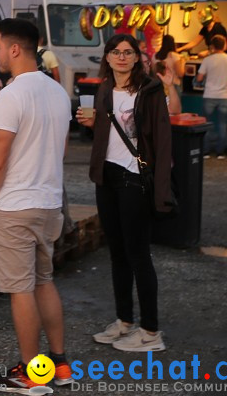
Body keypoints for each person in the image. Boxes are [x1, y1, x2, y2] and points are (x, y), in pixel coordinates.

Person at [0, 18, 74, 392]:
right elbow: (62, 151)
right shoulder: (57, 92)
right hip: (49, 201)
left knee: (21, 289)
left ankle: (30, 374)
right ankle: (60, 365)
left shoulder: (12, 94)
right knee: (44, 282)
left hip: (14, 205)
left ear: (15, 49)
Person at [77, 33, 172, 353]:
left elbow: (162, 138)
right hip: (107, 176)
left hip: (135, 177)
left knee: (138, 255)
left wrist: (162, 188)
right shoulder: (104, 89)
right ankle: (125, 321)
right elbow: (107, 132)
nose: (121, 57)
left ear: (136, 58)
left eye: (127, 52)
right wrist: (91, 125)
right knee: (116, 253)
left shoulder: (150, 90)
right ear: (106, 57)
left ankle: (151, 331)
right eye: (115, 52)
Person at [194, 34, 227, 157]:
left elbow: (199, 77)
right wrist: (225, 79)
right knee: (222, 124)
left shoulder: (207, 60)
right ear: (224, 45)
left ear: (212, 46)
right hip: (224, 96)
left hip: (209, 95)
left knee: (207, 123)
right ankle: (220, 152)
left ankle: (206, 152)